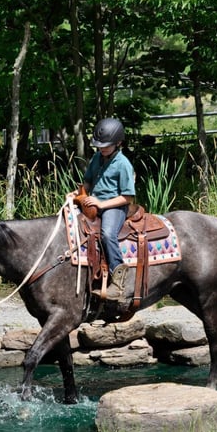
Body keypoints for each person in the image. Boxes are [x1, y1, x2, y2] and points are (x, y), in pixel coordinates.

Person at [73, 117, 136, 302]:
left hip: (114, 206)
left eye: (106, 145)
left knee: (108, 233)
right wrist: (78, 193)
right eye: (99, 145)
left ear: (118, 143)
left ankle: (118, 282)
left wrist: (101, 204)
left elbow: (127, 196)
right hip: (93, 202)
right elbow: (88, 181)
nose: (102, 148)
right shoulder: (97, 157)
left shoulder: (123, 164)